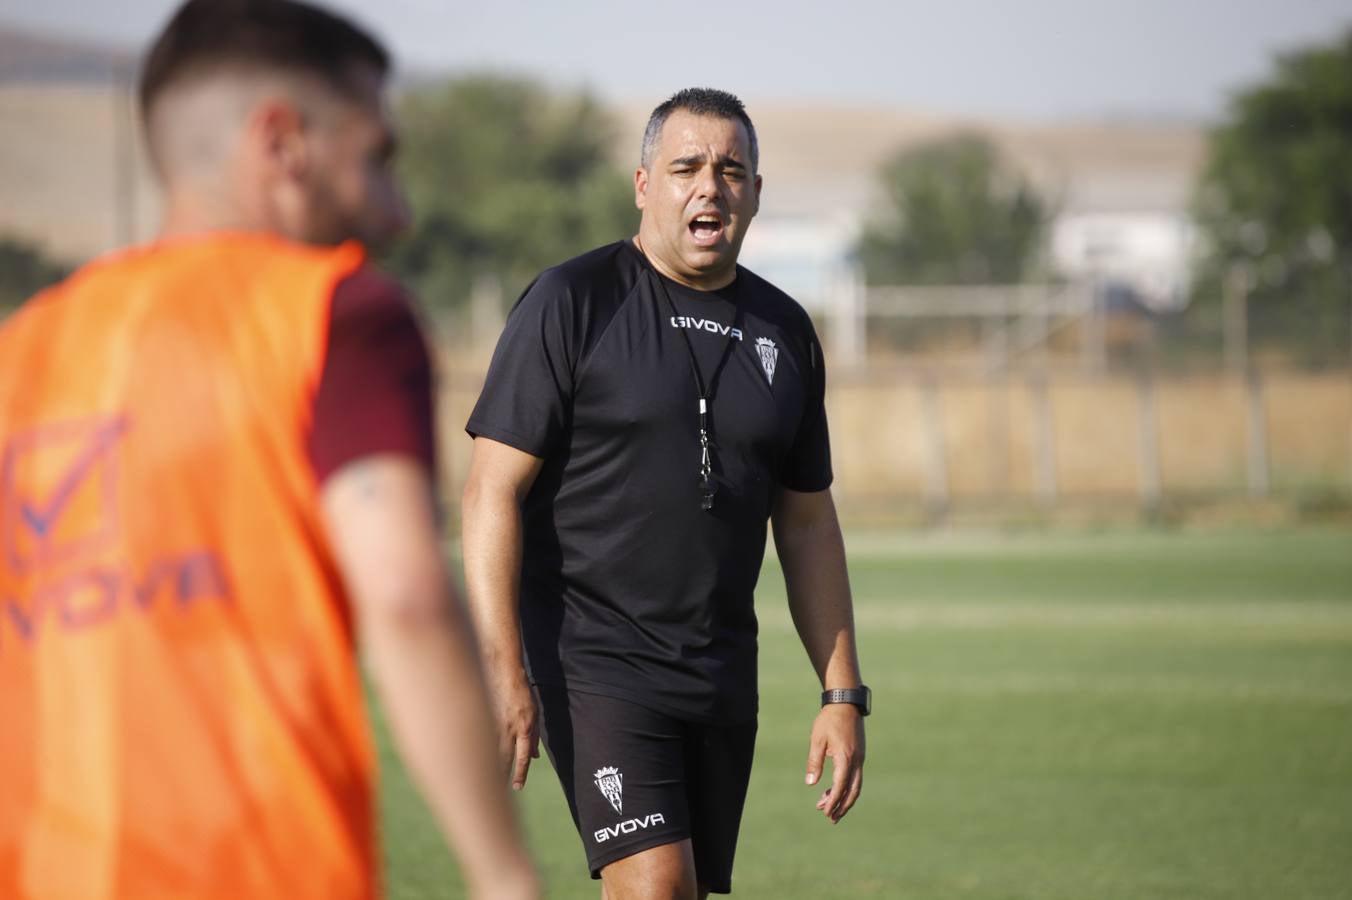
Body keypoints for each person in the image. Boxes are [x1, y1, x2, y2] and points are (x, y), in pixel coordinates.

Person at [0, 1, 539, 898]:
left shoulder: (24, 348)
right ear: (283, 142)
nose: (397, 211)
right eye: (377, 159)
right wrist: (504, 875)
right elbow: (404, 593)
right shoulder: (333, 311)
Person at [462, 87, 869, 898]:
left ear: (755, 193)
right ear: (644, 184)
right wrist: (503, 668)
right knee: (655, 887)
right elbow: (488, 496)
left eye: (731, 170)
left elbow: (807, 521)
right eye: (686, 167)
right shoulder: (572, 302)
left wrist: (843, 693)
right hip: (592, 656)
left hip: (720, 669)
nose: (709, 187)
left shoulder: (784, 332)